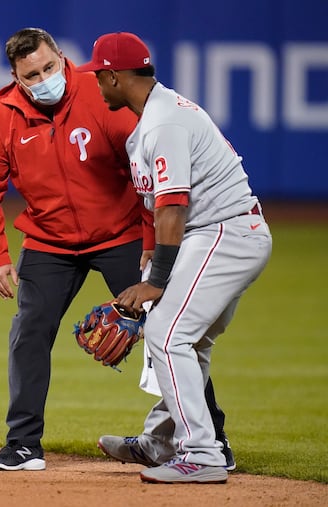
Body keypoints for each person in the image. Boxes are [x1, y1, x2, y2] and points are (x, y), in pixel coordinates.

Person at [0, 27, 237, 473]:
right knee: (29, 333)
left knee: (169, 334)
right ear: (16, 78)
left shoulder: (99, 99)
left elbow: (148, 176)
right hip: (49, 243)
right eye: (31, 75)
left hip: (120, 236)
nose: (43, 79)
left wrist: (151, 244)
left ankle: (214, 439)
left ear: (61, 57)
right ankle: (23, 445)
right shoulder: (2, 119)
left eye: (49, 67)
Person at [76, 32, 272, 483]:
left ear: (113, 76)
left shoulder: (164, 123)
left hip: (224, 232)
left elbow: (173, 205)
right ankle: (162, 442)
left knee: (167, 334)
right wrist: (154, 264)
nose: (97, 84)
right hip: (219, 234)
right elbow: (161, 207)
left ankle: (202, 455)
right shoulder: (154, 118)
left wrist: (156, 281)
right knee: (191, 340)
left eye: (99, 76)